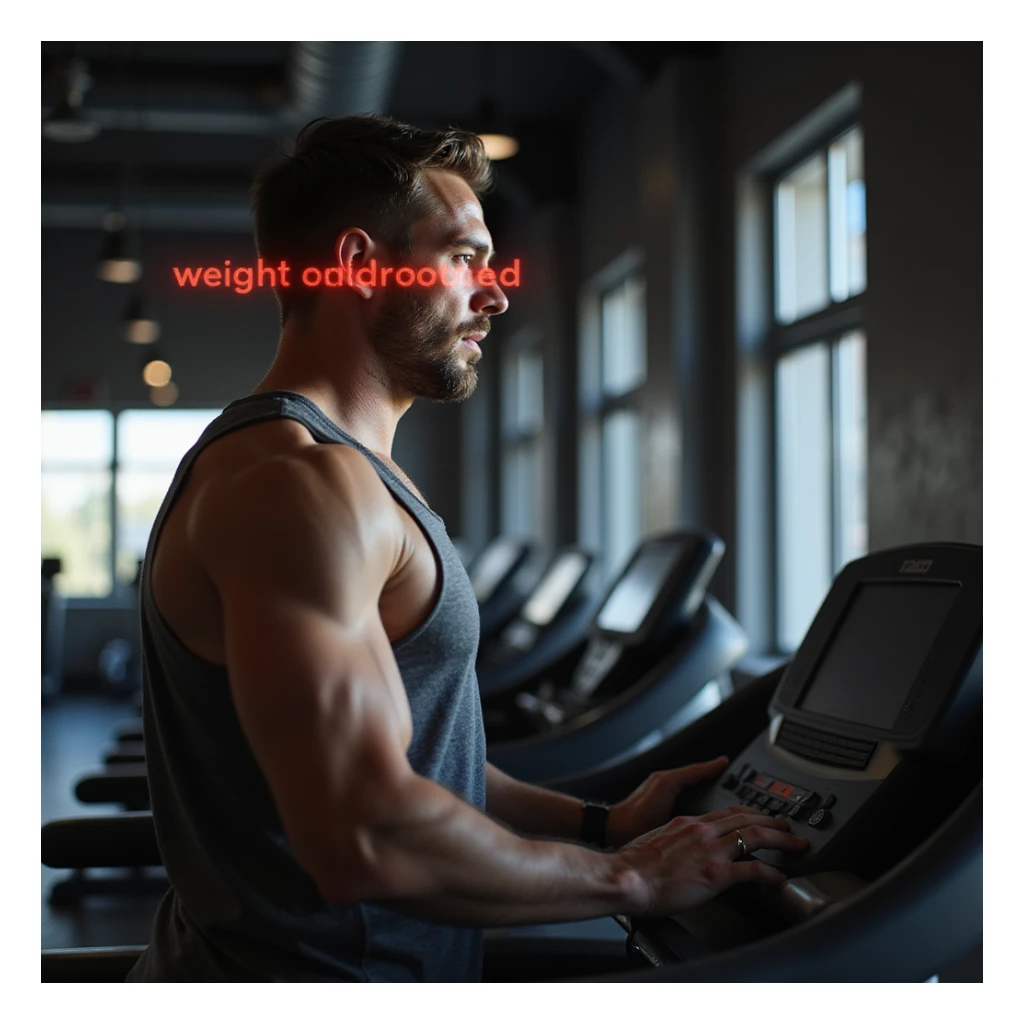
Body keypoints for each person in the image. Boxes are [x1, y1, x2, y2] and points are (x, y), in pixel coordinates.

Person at [127, 114, 807, 983]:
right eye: (463, 258)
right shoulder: (297, 487)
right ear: (358, 264)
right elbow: (366, 836)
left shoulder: (339, 476)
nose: (495, 294)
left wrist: (602, 825)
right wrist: (630, 879)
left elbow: (412, 753)